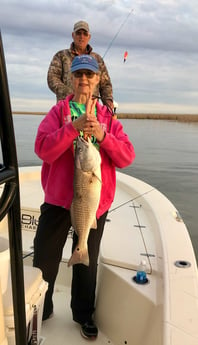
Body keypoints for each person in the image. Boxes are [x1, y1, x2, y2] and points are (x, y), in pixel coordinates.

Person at [33, 54, 135, 340]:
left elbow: (127, 156)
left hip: (92, 204)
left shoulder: (108, 118)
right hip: (57, 201)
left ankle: (83, 314)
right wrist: (73, 127)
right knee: (44, 258)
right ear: (71, 79)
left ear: (98, 79)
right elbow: (43, 149)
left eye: (89, 75)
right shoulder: (58, 114)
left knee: (87, 262)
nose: (84, 80)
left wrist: (102, 135)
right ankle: (42, 307)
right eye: (78, 75)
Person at [47, 20, 114, 111]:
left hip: (92, 109)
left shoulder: (97, 59)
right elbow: (52, 79)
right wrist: (74, 93)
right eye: (78, 33)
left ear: (89, 37)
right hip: (66, 108)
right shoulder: (61, 55)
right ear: (73, 35)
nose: (81, 37)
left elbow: (105, 84)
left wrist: (108, 102)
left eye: (85, 34)